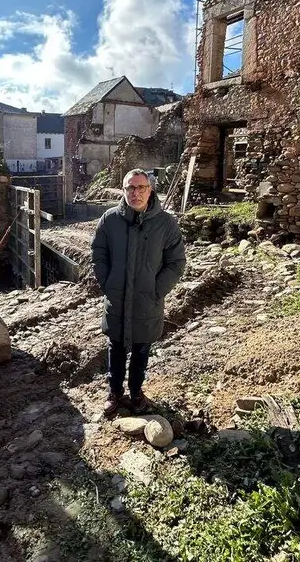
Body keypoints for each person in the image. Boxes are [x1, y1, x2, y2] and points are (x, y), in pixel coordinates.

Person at [91, 168, 186, 415]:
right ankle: (114, 392)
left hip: (148, 300)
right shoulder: (110, 220)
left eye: (141, 187)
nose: (136, 193)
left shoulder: (165, 224)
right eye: (130, 188)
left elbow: (176, 262)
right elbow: (98, 253)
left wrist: (157, 290)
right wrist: (108, 283)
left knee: (142, 349)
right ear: (124, 191)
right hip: (117, 298)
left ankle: (135, 393)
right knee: (116, 346)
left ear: (150, 190)